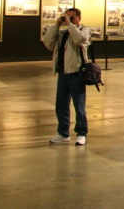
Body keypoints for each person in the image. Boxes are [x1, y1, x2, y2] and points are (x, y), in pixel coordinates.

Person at [42, 8, 91, 146]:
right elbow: (47, 42)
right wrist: (57, 24)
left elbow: (79, 39)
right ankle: (63, 133)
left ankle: (81, 133)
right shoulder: (63, 33)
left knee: (79, 105)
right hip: (63, 73)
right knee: (61, 105)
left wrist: (70, 25)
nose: (69, 19)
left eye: (72, 17)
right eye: (66, 17)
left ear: (79, 18)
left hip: (77, 73)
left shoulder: (84, 30)